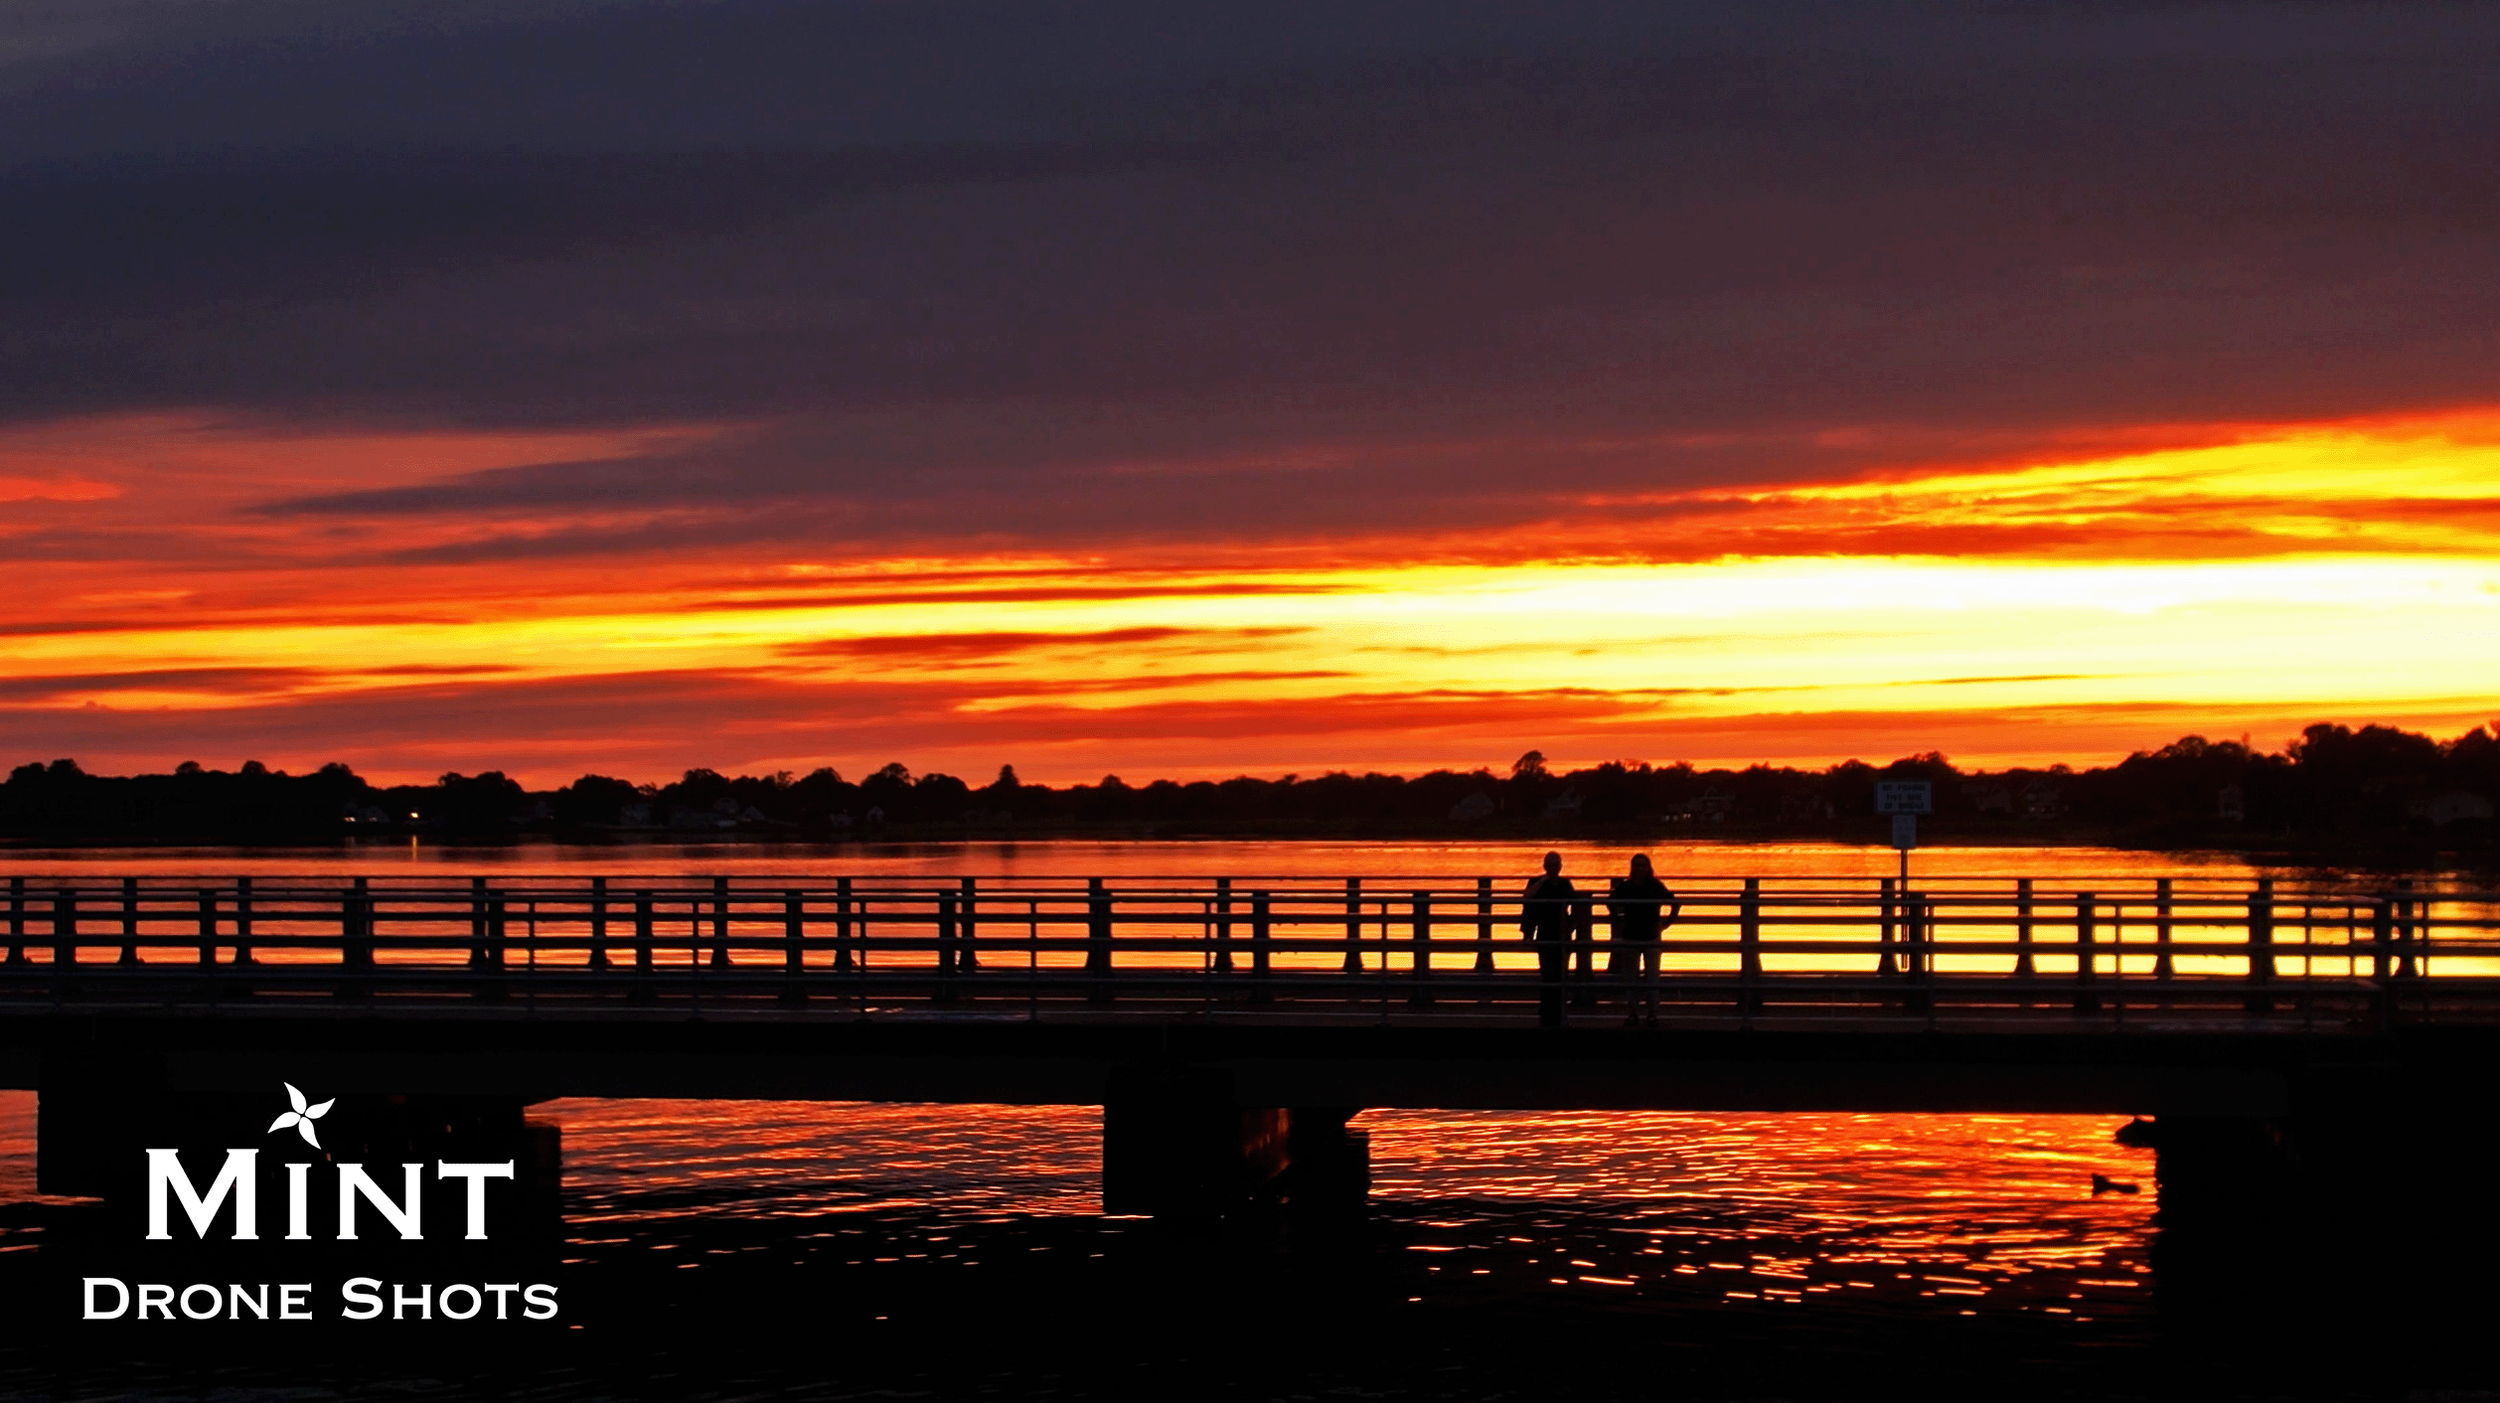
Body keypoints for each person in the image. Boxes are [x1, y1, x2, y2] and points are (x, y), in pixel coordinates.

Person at [1605, 854, 1679, 1026]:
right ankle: (1633, 1013)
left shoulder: (1655, 886)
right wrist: (1618, 919)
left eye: (1643, 866)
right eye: (1637, 866)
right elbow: (1610, 902)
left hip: (1651, 936)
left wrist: (1666, 923)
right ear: (1632, 868)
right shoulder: (1626, 887)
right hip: (1630, 936)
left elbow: (1674, 903)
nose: (1640, 869)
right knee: (1631, 978)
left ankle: (1653, 1013)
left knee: (1652, 977)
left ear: (1648, 868)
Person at [1520, 850, 1577, 1027]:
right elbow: (1527, 898)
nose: (1552, 868)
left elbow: (1575, 905)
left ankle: (1559, 1005)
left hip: (1561, 931)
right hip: (1544, 930)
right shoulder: (1536, 882)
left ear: (1560, 866)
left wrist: (1571, 926)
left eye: (1555, 864)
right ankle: (1546, 1006)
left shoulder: (1565, 884)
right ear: (1545, 866)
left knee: (1561, 971)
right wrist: (1527, 932)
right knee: (1546, 971)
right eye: (1549, 864)